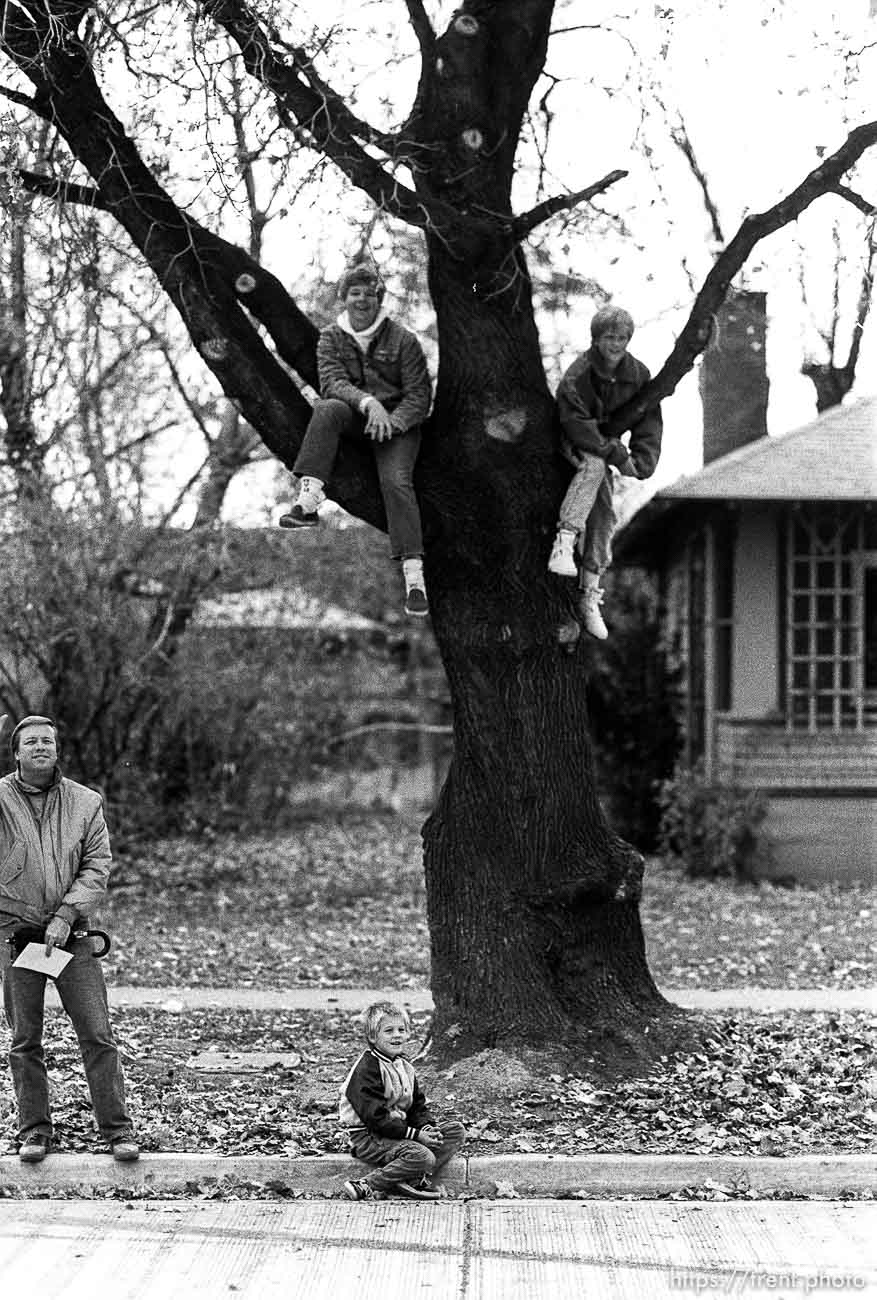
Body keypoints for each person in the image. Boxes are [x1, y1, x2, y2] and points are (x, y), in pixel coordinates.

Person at [0, 713, 138, 1164]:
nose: (41, 747)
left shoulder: (85, 802)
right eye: (31, 742)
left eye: (48, 741)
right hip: (17, 937)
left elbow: (98, 866)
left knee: (97, 1033)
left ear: (57, 750)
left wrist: (64, 914)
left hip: (72, 935)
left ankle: (117, 1132)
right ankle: (35, 1131)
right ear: (16, 752)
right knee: (25, 1039)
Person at [279, 262, 433, 618]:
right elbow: (331, 381)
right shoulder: (331, 337)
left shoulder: (403, 339)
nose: (362, 299)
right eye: (355, 293)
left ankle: (414, 577)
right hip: (357, 415)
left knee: (395, 482)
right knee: (327, 407)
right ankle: (308, 500)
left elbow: (419, 395)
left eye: (368, 293)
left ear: (378, 298)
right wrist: (368, 403)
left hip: (398, 427)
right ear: (344, 298)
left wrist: (392, 423)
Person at [548, 305, 663, 639]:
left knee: (604, 514)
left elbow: (649, 420)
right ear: (596, 339)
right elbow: (575, 423)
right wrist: (616, 452)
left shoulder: (638, 374)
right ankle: (564, 541)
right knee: (595, 466)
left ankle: (590, 590)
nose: (616, 344)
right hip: (573, 441)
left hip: (605, 444)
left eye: (622, 337)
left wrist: (641, 462)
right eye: (609, 337)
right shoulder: (578, 374)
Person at [338, 1000, 465, 1200]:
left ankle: (410, 1179)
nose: (397, 1035)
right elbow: (375, 1118)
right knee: (423, 1156)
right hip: (370, 1136)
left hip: (398, 1132)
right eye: (388, 1030)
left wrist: (426, 1128)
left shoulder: (405, 1066)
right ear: (372, 1036)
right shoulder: (367, 1068)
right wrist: (415, 1136)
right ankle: (366, 1184)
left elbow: (417, 1106)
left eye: (401, 1029)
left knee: (455, 1131)